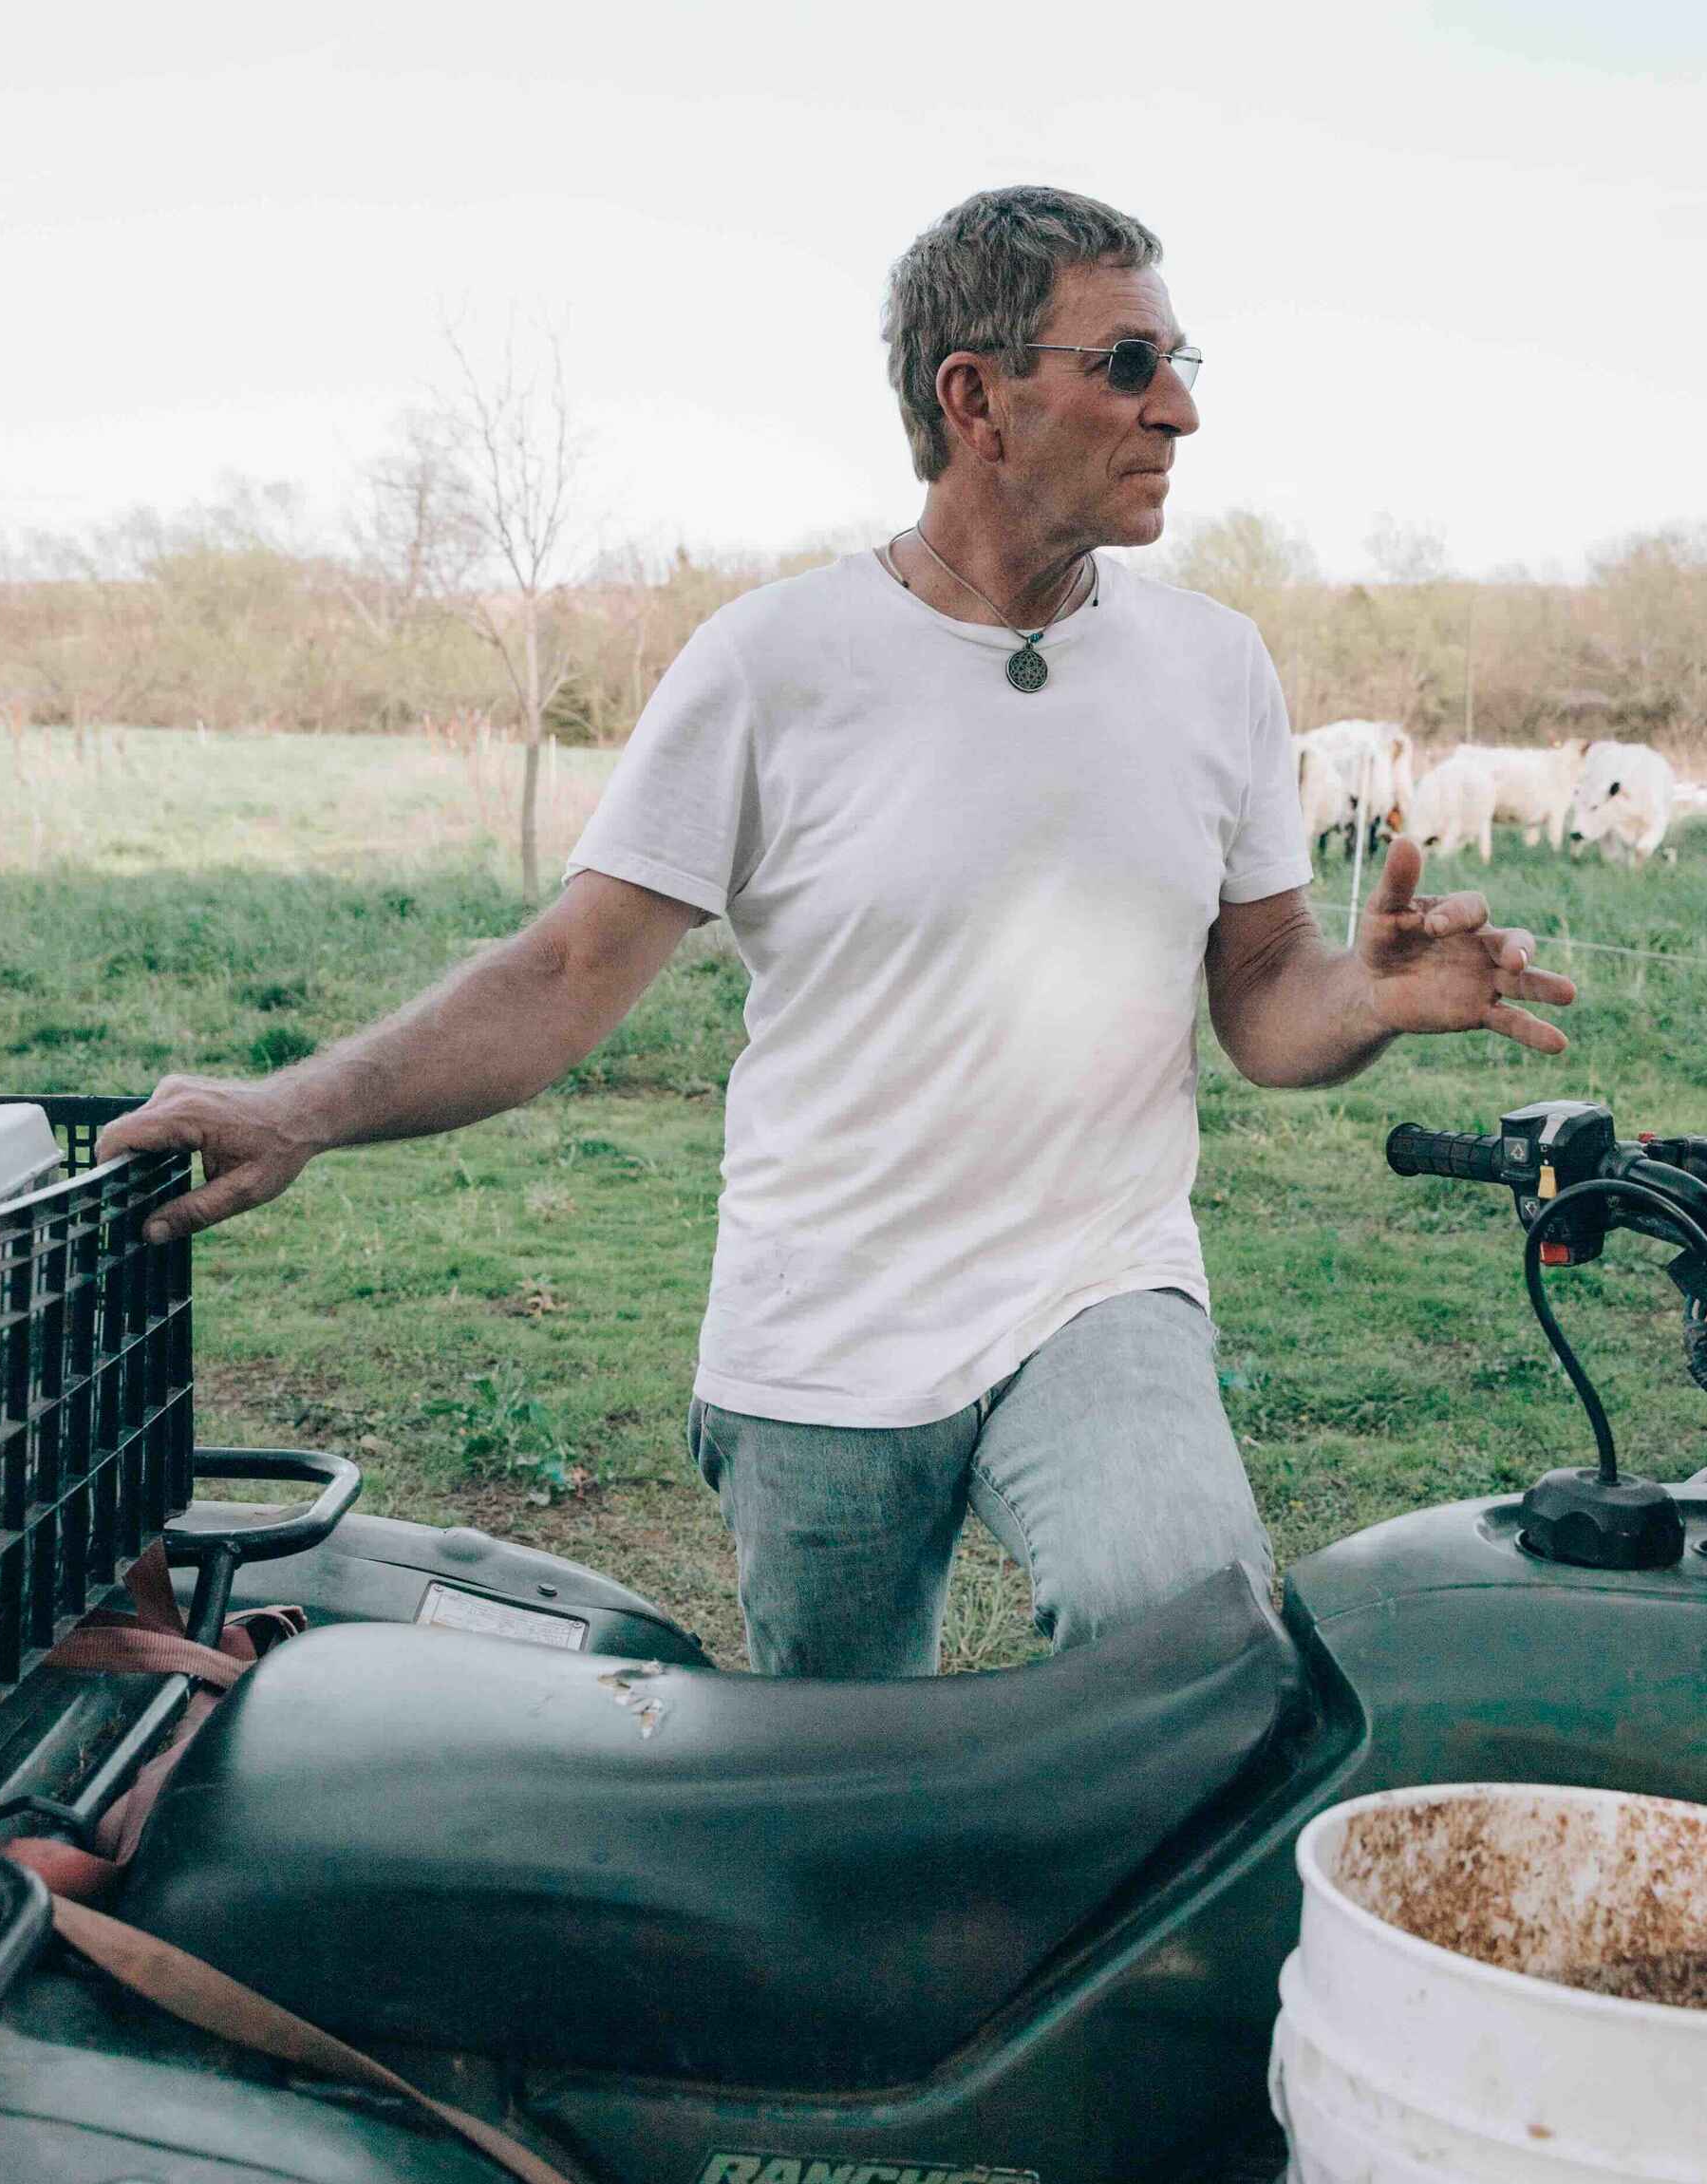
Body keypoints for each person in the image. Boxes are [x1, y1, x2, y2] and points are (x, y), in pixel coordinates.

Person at [102, 186, 1573, 1678]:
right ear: (975, 397)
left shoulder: (1215, 665)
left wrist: (1368, 996)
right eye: (1129, 364)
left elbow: (1264, 994)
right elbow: (563, 974)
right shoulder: (771, 662)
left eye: (1183, 359)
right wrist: (299, 1106)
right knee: (842, 1794)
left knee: (1186, 1639)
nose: (1180, 410)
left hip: (1094, 1286)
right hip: (822, 1337)